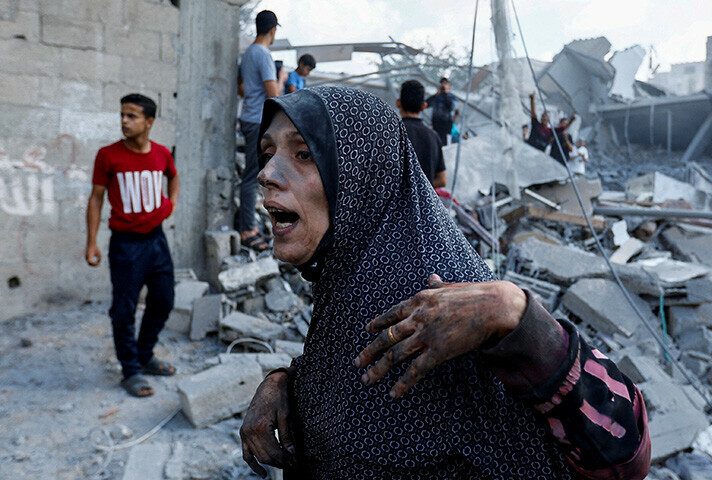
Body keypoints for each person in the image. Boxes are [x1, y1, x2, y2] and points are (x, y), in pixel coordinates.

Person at [239, 87, 651, 479]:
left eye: (304, 154)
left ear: (361, 173)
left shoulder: (434, 297)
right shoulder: (353, 274)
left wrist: (518, 317)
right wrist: (287, 384)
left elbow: (622, 451)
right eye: (268, 152)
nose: (267, 173)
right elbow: (353, 380)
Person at [85, 94, 180, 398]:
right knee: (124, 309)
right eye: (122, 115)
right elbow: (96, 198)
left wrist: (171, 203)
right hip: (125, 244)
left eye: (132, 116)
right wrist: (91, 242)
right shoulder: (108, 155)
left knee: (164, 299)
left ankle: (145, 354)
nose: (124, 121)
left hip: (156, 239)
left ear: (149, 122)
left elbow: (173, 177)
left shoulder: (163, 153)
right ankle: (131, 370)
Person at [236, 9, 280, 252]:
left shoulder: (248, 54)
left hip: (248, 117)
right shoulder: (263, 55)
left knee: (255, 175)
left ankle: (251, 225)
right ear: (273, 30)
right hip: (257, 120)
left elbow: (242, 89)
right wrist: (280, 78)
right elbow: (273, 95)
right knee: (253, 176)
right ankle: (247, 229)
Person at [396, 80, 446, 188]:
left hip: (395, 203)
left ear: (398, 103)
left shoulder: (392, 132)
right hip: (423, 203)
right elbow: (442, 180)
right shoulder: (433, 136)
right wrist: (421, 187)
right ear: (423, 106)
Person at [426, 77, 458, 146]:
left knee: (445, 145)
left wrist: (445, 94)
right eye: (442, 84)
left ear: (449, 86)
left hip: (446, 127)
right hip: (436, 125)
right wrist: (437, 94)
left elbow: (451, 108)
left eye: (445, 84)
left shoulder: (452, 97)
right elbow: (425, 104)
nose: (443, 86)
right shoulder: (436, 97)